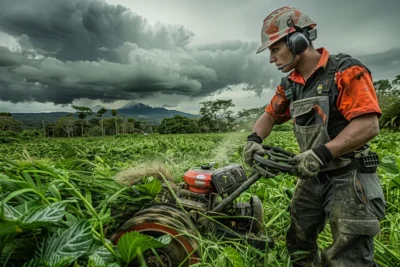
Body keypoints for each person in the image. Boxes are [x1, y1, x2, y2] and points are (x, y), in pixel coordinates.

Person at [243, 6, 386, 267]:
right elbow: (270, 115)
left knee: (348, 256)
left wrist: (322, 153)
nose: (272, 58)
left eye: (275, 49)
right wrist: (254, 140)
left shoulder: (346, 71)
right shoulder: (291, 84)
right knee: (299, 242)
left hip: (349, 175)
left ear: (298, 41)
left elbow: (368, 125)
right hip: (312, 176)